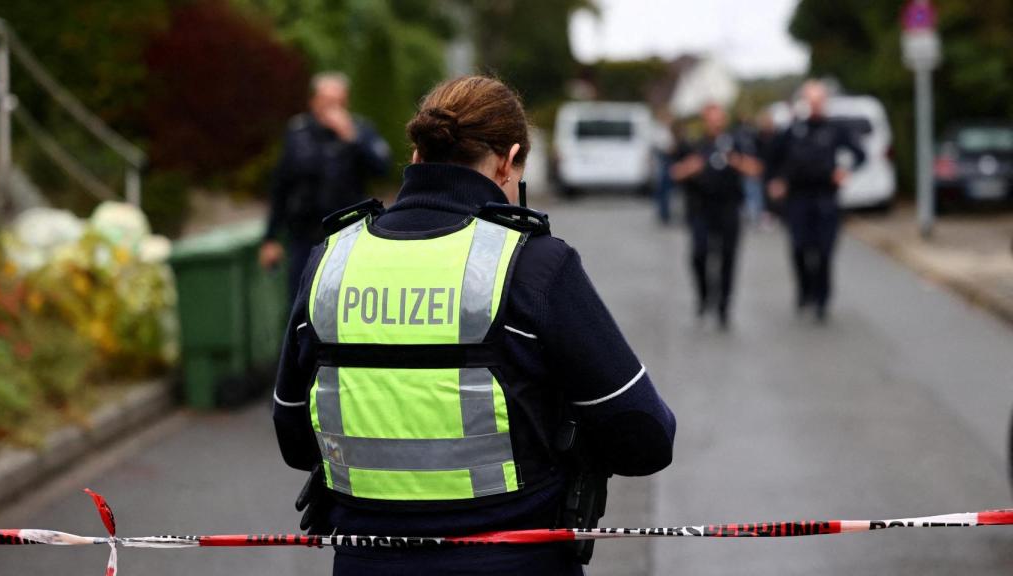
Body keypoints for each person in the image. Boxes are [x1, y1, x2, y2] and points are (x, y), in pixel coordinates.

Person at [271, 76, 676, 575]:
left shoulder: (331, 260)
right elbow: (645, 436)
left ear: (417, 156)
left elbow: (294, 435)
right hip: (514, 560)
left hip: (367, 561)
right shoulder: (534, 265)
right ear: (508, 160)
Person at [259, 72, 392, 302]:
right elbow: (281, 186)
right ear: (314, 102)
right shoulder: (298, 132)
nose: (332, 108)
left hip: (348, 237)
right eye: (326, 101)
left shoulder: (360, 129)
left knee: (344, 304)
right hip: (305, 237)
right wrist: (270, 238)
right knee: (302, 304)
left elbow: (383, 168)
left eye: (338, 102)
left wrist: (351, 137)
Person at [766, 80, 865, 322]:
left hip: (826, 198)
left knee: (824, 251)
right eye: (811, 100)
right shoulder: (793, 130)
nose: (816, 105)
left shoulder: (835, 129)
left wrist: (845, 171)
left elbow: (859, 154)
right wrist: (776, 180)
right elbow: (771, 158)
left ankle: (822, 299)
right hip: (798, 199)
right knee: (799, 248)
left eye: (819, 100)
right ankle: (805, 290)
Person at [671, 103, 762, 329]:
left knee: (727, 257)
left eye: (719, 119)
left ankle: (723, 306)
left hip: (729, 207)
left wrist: (736, 161)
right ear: (704, 121)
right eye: (711, 119)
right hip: (701, 207)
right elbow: (674, 172)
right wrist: (691, 167)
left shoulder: (736, 142)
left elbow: (756, 169)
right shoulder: (693, 144)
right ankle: (704, 296)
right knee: (699, 254)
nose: (715, 124)